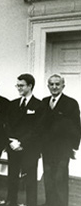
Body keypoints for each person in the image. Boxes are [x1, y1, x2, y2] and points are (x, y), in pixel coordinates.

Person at [39, 74, 81, 206]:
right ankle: (49, 203)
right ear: (48, 86)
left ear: (63, 86)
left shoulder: (71, 103)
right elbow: (40, 125)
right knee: (48, 177)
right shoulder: (44, 102)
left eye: (57, 84)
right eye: (51, 84)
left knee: (60, 178)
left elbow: (76, 126)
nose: (54, 87)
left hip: (63, 148)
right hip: (46, 148)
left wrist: (73, 146)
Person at [2, 74, 41, 206]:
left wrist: (21, 142)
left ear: (30, 86)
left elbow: (37, 128)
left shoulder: (39, 105)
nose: (18, 88)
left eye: (21, 85)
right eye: (17, 85)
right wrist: (12, 141)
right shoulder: (12, 104)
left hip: (29, 148)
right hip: (13, 146)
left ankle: (31, 203)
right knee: (12, 175)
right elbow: (7, 124)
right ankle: (10, 200)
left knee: (30, 178)